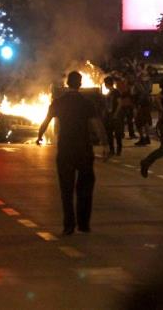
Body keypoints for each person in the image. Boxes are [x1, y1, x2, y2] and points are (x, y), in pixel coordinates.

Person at [37, 72, 108, 236]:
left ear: (67, 84)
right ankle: (83, 225)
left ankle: (68, 225)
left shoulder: (58, 102)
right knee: (85, 188)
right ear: (80, 84)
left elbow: (46, 121)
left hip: (65, 150)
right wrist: (105, 144)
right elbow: (97, 124)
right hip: (84, 150)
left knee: (66, 189)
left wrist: (39, 136)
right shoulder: (87, 103)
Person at [102, 76, 123, 156]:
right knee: (109, 133)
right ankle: (112, 150)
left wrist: (115, 114)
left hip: (115, 116)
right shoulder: (109, 93)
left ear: (107, 84)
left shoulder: (116, 92)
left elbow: (120, 103)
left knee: (117, 134)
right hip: (109, 116)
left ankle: (118, 150)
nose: (105, 85)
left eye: (105, 83)